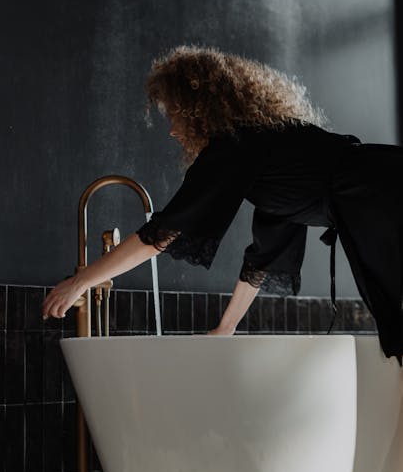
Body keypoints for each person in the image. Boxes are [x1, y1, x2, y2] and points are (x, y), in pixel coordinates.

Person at [42, 45, 403, 367]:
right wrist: (225, 329)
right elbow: (262, 258)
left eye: (174, 115)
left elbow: (164, 232)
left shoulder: (236, 143)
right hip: (377, 192)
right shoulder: (269, 150)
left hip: (380, 195)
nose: (171, 130)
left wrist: (82, 280)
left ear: (198, 109)